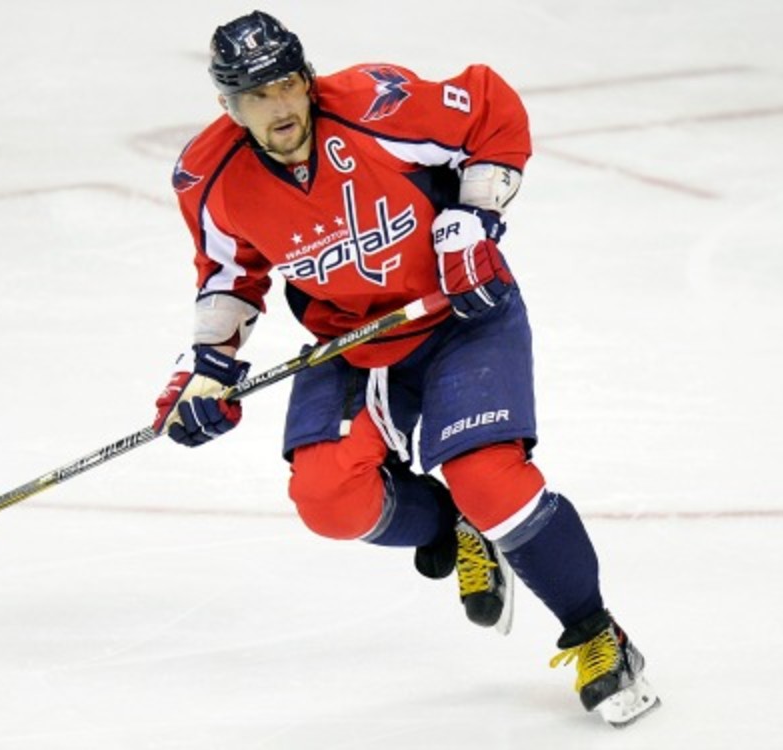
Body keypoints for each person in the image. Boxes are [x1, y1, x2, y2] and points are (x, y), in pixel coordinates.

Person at [151, 9, 660, 727]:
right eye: (258, 96)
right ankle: (449, 526)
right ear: (227, 106)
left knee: (490, 478)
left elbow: (490, 106)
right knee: (328, 499)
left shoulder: (372, 104)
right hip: (350, 340)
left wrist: (473, 219)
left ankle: (597, 635)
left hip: (458, 315)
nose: (281, 106)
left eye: (288, 84)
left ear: (305, 78)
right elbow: (230, 274)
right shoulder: (207, 177)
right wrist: (208, 368)